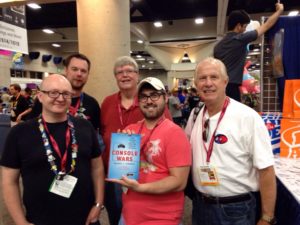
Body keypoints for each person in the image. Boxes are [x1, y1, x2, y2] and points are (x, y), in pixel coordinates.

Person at [1, 74, 105, 225]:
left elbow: (97, 168)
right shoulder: (20, 133)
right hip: (40, 219)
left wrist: (98, 204)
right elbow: (9, 181)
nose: (60, 98)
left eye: (66, 94)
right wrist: (20, 222)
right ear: (41, 96)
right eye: (53, 92)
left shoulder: (85, 127)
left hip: (85, 218)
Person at [186, 57, 276, 225]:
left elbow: (266, 170)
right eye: (202, 78)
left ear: (225, 82)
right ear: (196, 84)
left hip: (236, 210)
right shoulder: (195, 114)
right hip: (200, 206)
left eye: (214, 77)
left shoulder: (247, 117)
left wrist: (267, 217)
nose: (208, 83)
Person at [108, 77, 191, 225]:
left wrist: (140, 188)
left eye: (154, 95)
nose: (149, 101)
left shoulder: (175, 133)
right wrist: (121, 151)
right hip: (128, 216)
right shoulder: (130, 131)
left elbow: (179, 182)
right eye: (143, 97)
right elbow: (122, 173)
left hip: (161, 218)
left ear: (165, 98)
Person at [100, 56, 172, 225]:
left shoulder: (151, 102)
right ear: (115, 77)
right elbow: (101, 133)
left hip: (144, 176)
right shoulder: (108, 102)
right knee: (115, 215)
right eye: (119, 72)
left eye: (129, 71)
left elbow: (167, 131)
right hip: (114, 175)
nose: (124, 75)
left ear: (137, 75)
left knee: (139, 217)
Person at [213, 2, 284, 102]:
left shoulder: (217, 46)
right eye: (245, 26)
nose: (245, 29)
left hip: (218, 88)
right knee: (234, 116)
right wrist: (279, 11)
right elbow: (266, 26)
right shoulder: (240, 39)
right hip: (232, 88)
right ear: (238, 26)